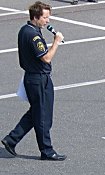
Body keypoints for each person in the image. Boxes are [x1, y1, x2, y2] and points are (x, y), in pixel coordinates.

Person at [2, 1, 65, 161]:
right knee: (43, 116)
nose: (48, 20)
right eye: (45, 17)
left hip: (33, 77)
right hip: (38, 79)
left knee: (36, 112)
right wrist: (56, 41)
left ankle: (11, 139)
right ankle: (47, 150)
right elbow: (47, 57)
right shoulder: (33, 35)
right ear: (36, 17)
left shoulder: (25, 30)